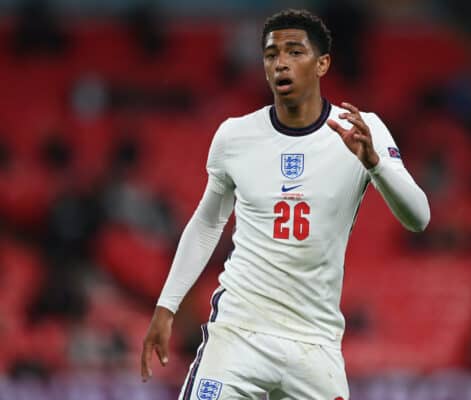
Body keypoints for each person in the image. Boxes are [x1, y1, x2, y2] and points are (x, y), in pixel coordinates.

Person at [141, 9, 430, 400]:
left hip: (314, 343)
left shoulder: (361, 129)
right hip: (239, 333)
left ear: (322, 63)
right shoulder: (235, 136)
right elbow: (208, 223)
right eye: (271, 54)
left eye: (295, 52)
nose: (281, 63)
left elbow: (419, 218)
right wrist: (167, 305)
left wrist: (374, 164)